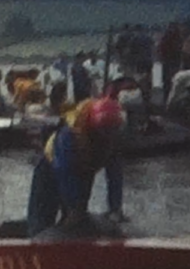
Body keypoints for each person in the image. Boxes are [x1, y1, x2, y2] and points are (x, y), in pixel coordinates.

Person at [27, 96, 128, 237]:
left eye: (111, 131)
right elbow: (64, 172)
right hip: (50, 168)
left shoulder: (112, 138)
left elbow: (115, 174)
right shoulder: (70, 135)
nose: (106, 137)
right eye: (103, 132)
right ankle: (36, 246)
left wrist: (115, 207)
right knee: (41, 221)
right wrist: (73, 208)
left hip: (85, 170)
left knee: (80, 219)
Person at [158, 21, 184, 102]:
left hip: (167, 61)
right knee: (176, 80)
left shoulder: (166, 37)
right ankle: (175, 98)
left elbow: (161, 48)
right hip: (176, 61)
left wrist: (161, 57)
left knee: (167, 81)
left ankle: (167, 99)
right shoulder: (179, 37)